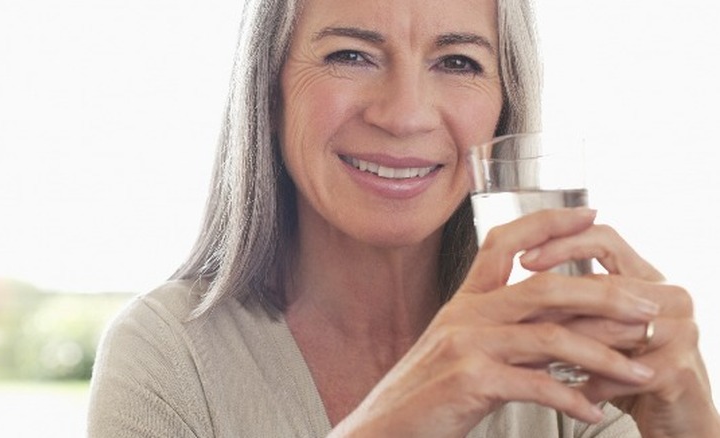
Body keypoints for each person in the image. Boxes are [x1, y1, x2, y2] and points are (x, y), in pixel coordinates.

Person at [87, 0, 720, 436]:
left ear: (505, 107)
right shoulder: (168, 353)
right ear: (269, 87)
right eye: (351, 55)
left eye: (457, 62)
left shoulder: (564, 351)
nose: (405, 114)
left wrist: (687, 419)